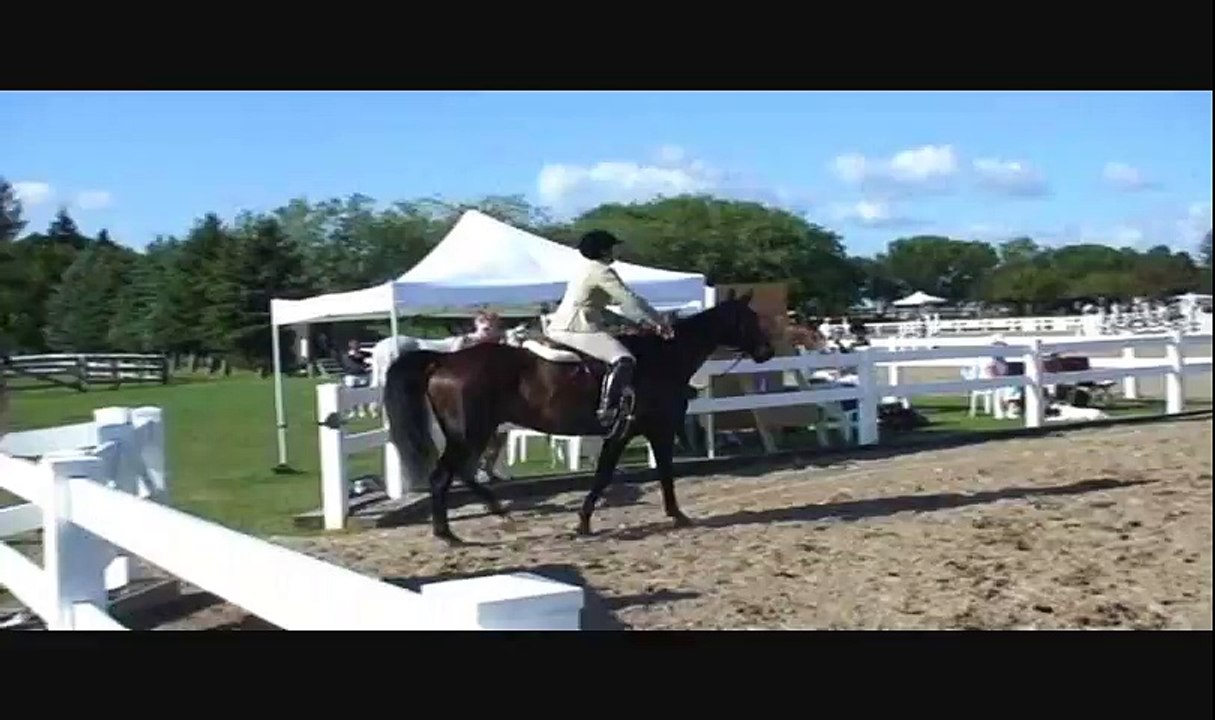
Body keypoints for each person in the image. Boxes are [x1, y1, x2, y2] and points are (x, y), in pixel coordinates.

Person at [544, 229, 673, 427]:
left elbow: (616, 305)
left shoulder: (588, 268)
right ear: (604, 250)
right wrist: (659, 322)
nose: (616, 252)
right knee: (624, 359)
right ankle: (608, 410)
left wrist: (641, 322)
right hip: (577, 326)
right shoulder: (602, 271)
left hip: (569, 322)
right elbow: (629, 299)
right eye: (613, 248)